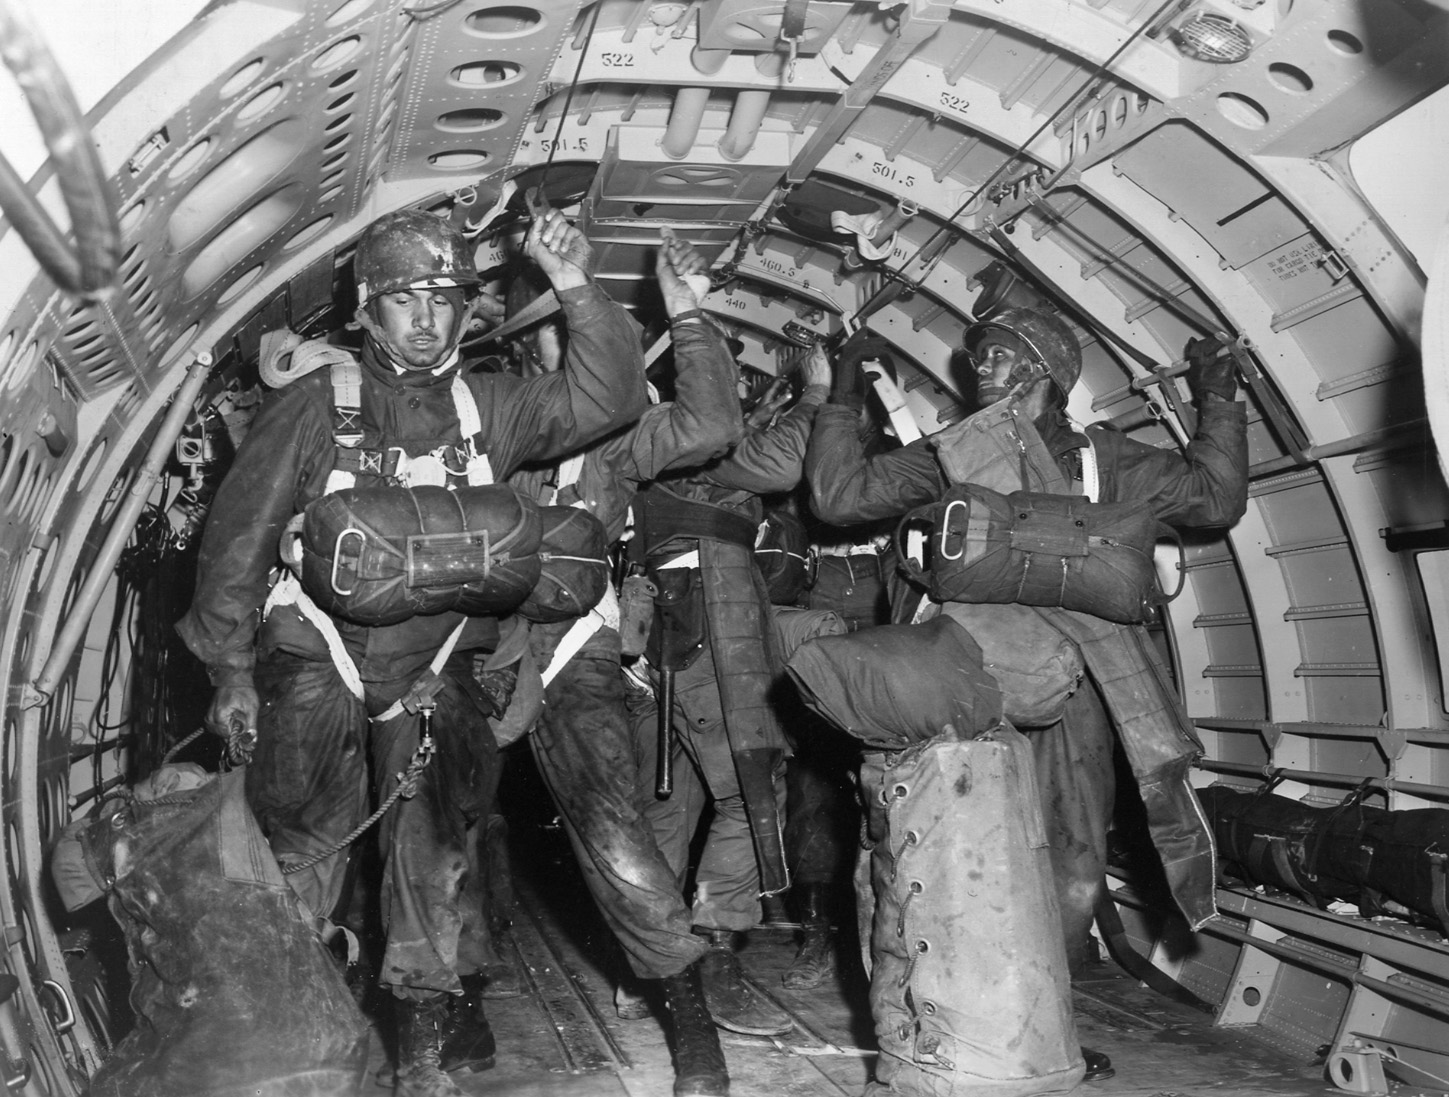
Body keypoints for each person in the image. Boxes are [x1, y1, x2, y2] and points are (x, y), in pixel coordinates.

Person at [176, 205, 646, 1097]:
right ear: (365, 307)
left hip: (435, 670)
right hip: (318, 655)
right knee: (307, 847)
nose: (427, 317)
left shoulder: (493, 408)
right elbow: (238, 541)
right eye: (404, 299)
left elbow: (608, 398)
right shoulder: (317, 406)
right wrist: (231, 670)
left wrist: (575, 283)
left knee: (433, 859)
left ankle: (422, 1062)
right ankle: (286, 1049)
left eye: (445, 298)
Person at [805, 308, 1248, 1091]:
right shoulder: (953, 452)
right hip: (963, 675)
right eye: (982, 355)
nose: (984, 367)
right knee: (912, 849)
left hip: (1072, 681)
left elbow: (1213, 498)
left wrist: (1219, 397)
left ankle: (1036, 1028)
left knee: (1071, 862)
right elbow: (839, 497)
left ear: (1045, 370)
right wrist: (842, 390)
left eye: (1003, 356)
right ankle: (916, 1034)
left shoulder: (1105, 460)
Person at [506, 227, 746, 1097]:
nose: (570, 352)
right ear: (525, 347)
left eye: (581, 334)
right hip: (463, 650)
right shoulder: (479, 421)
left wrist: (687, 309)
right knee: (422, 826)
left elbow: (714, 422)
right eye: (553, 335)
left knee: (616, 831)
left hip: (573, 650)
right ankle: (434, 1017)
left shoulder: (611, 445)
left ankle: (692, 1031)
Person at [629, 339, 832, 1039]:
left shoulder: (644, 441)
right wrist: (812, 393)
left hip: (665, 637)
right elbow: (779, 460)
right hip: (711, 628)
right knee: (752, 794)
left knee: (670, 804)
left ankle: (651, 963)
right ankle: (714, 947)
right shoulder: (701, 446)